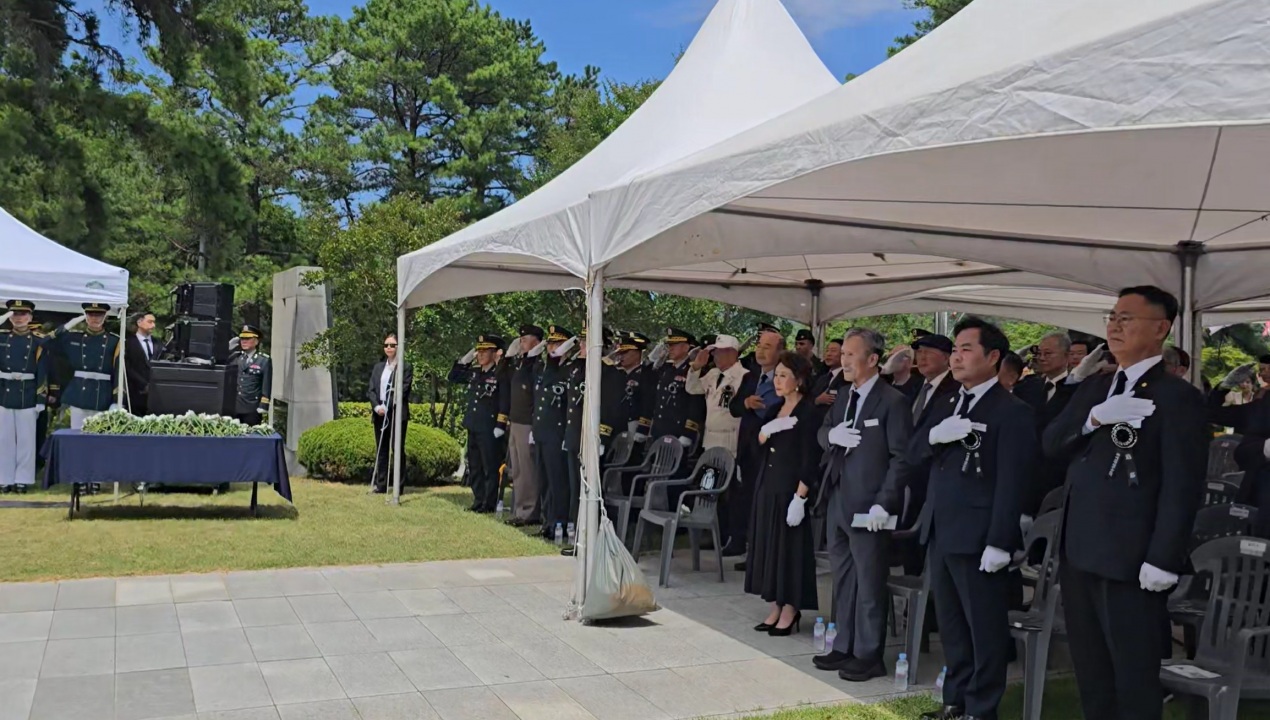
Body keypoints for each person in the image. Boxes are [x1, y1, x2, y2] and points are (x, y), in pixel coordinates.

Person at [1043, 286, 1206, 720]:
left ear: (1161, 328)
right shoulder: (1096, 387)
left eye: (1127, 318)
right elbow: (1052, 444)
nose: (1114, 326)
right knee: (1091, 670)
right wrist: (1096, 416)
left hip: (1131, 556)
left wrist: (1164, 557)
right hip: (1080, 548)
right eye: (1112, 317)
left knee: (1132, 674)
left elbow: (1182, 484)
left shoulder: (1177, 397)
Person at [911, 317, 1035, 720]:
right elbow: (912, 453)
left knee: (983, 629)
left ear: (993, 357)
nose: (957, 356)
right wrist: (933, 436)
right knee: (952, 625)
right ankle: (955, 700)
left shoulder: (1011, 410)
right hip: (942, 529)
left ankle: (981, 709)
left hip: (980, 535)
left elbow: (1013, 481)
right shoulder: (947, 401)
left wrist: (1001, 540)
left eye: (966, 349)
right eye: (956, 349)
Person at [814, 328, 913, 681]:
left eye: (851, 355)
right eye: (842, 355)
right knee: (842, 578)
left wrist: (884, 504)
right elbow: (822, 430)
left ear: (872, 360)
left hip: (871, 505)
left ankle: (869, 654)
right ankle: (844, 644)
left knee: (870, 582)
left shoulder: (892, 401)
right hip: (839, 496)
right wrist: (830, 437)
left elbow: (901, 458)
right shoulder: (842, 396)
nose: (844, 361)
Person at [745, 351, 820, 636]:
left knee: (788, 549)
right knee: (769, 546)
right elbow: (756, 446)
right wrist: (766, 431)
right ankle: (776, 603)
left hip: (791, 488)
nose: (777, 381)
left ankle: (791, 607)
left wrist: (800, 498)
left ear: (799, 380)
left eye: (784, 375)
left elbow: (810, 458)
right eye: (776, 375)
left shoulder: (809, 412)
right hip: (768, 484)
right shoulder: (775, 407)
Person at [899, 332, 958, 574]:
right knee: (911, 551)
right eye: (918, 352)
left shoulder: (954, 389)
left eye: (928, 352)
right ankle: (912, 608)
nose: (921, 357)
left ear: (946, 357)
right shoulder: (915, 386)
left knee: (928, 550)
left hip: (932, 475)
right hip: (908, 475)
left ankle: (928, 605)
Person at [727, 328, 786, 560]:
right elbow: (733, 408)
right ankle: (744, 545)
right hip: (748, 450)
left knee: (766, 504)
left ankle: (764, 554)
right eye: (759, 345)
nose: (760, 351)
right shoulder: (750, 377)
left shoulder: (786, 377)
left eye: (767, 347)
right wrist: (746, 402)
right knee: (746, 498)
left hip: (771, 451)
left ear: (780, 351)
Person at [1012, 332, 1078, 515]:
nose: (1041, 358)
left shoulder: (1077, 391)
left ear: (1066, 356)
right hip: (1025, 470)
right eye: (1039, 353)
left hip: (1056, 472)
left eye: (1048, 354)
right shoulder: (1027, 387)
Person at [449, 334, 508, 512]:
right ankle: (478, 499)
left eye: (485, 351)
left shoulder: (499, 374)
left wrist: (501, 425)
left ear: (493, 353)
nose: (481, 355)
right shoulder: (474, 373)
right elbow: (454, 376)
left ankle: (488, 503)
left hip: (489, 427)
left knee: (489, 466)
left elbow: (504, 401)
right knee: (474, 465)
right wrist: (468, 357)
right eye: (479, 351)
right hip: (473, 425)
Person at [47, 303, 121, 430]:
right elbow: (45, 343)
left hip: (102, 394)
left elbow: (119, 370)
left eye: (99, 315)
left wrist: (116, 399)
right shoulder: (74, 337)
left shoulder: (114, 341)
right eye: (90, 315)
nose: (94, 318)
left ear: (105, 317)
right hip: (79, 393)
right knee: (77, 435)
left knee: (99, 438)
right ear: (85, 316)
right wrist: (67, 326)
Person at [1, 300, 48, 494]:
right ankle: (4, 478)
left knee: (26, 440)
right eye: (15, 314)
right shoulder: (2, 337)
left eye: (23, 314)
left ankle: (23, 479)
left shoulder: (39, 340)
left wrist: (40, 399)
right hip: (4, 392)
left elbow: (43, 371)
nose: (18, 318)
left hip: (28, 393)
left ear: (30, 317)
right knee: (4, 439)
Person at [533, 325, 575, 536]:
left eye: (557, 344)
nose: (552, 348)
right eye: (550, 344)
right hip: (542, 432)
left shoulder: (570, 370)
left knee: (558, 481)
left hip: (557, 434)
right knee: (545, 481)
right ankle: (547, 521)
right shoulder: (547, 368)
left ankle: (557, 523)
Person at [500, 324, 544, 525]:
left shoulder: (537, 365)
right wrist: (507, 358)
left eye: (524, 339)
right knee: (516, 469)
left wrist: (535, 425)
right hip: (515, 421)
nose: (521, 343)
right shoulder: (521, 364)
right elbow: (501, 378)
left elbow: (537, 396)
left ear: (536, 341)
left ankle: (529, 512)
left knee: (527, 469)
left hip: (528, 423)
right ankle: (519, 509)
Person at [685, 334, 748, 456]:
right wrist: (696, 367)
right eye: (714, 352)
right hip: (709, 440)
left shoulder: (745, 376)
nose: (715, 356)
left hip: (730, 443)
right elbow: (692, 388)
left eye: (719, 352)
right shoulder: (713, 373)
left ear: (732, 353)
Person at [369, 333, 414, 494]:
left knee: (397, 449)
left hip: (396, 414)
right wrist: (377, 407)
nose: (389, 347)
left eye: (392, 345)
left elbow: (403, 390)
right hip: (380, 414)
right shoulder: (378, 367)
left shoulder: (405, 367)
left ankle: (397, 486)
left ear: (398, 347)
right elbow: (371, 390)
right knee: (381, 449)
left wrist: (387, 406)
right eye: (386, 345)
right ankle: (381, 485)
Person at [649, 327, 705, 451]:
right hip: (660, 429)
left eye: (675, 345)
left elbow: (696, 403)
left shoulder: (692, 370)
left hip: (678, 431)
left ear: (686, 347)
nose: (671, 348)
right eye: (669, 345)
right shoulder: (666, 368)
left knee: (676, 468)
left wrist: (688, 433)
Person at [230, 324, 272, 426]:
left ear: (256, 341)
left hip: (252, 409)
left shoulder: (263, 360)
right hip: (234, 407)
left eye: (248, 338)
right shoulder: (236, 357)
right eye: (242, 338)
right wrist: (228, 349)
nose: (244, 341)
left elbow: (266, 385)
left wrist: (263, 406)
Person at [124, 311, 163, 416]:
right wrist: (143, 384)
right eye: (150, 322)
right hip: (135, 394)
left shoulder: (158, 343)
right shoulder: (128, 343)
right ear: (139, 323)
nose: (153, 325)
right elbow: (128, 367)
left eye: (154, 322)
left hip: (157, 394)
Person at [808, 337, 845, 429]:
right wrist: (817, 400)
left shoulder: (847, 379)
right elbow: (809, 399)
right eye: (827, 350)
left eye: (833, 351)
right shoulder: (822, 378)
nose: (828, 354)